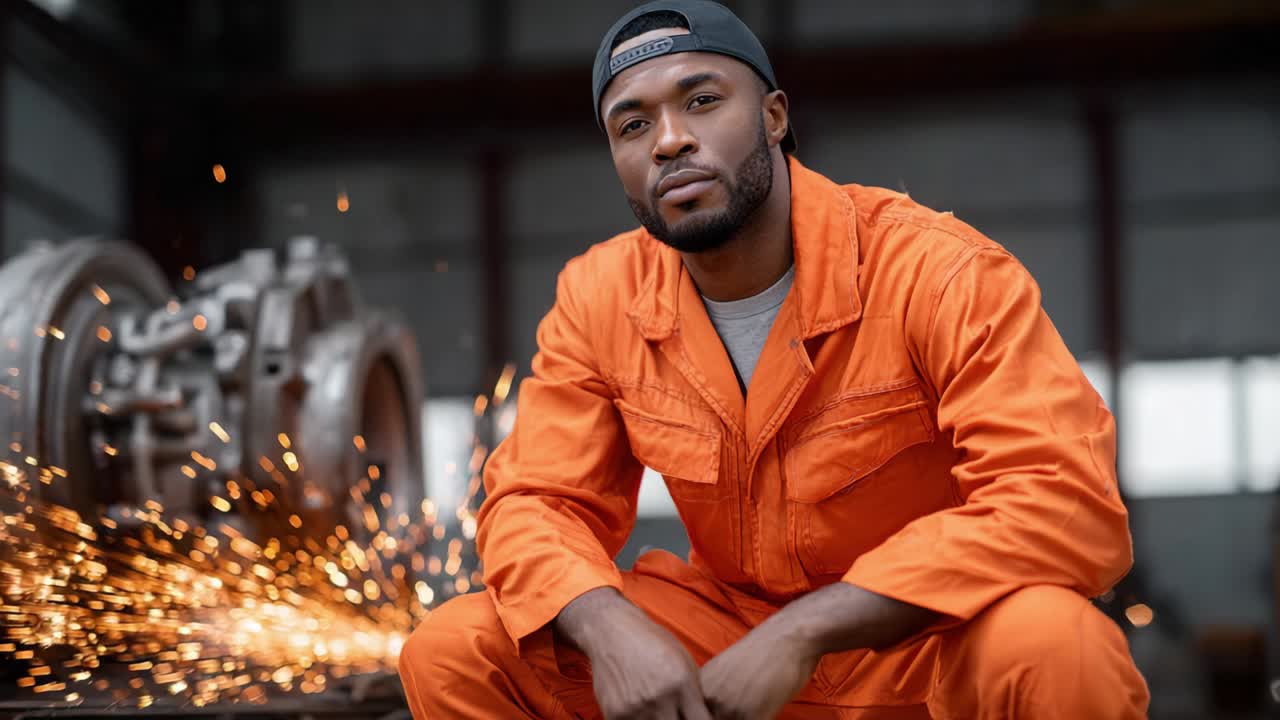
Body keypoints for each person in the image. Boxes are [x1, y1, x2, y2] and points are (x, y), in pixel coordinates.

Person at [398, 1, 1150, 718]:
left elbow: (1063, 503)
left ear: (774, 117)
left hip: (925, 645)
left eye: (700, 101)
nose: (668, 141)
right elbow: (535, 502)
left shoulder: (937, 272)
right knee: (458, 650)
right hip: (727, 650)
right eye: (632, 124)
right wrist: (606, 627)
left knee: (1058, 645)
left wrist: (807, 630)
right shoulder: (600, 297)